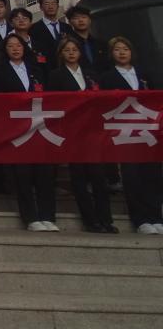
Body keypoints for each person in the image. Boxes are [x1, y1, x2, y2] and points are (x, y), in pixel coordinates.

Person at [46, 37, 116, 233]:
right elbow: (53, 102)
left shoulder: (91, 75)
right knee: (79, 177)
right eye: (67, 50)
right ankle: (90, 220)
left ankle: (106, 219)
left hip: (93, 131)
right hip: (72, 130)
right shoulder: (56, 75)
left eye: (74, 49)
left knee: (99, 177)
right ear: (61, 54)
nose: (71, 53)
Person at [0, 34, 57, 232]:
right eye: (10, 46)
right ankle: (31, 217)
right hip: (16, 128)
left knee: (45, 173)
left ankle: (48, 216)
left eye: (18, 45)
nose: (15, 49)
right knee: (23, 175)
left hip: (39, 125)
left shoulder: (37, 70)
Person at [97, 37, 163, 234]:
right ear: (112, 54)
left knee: (152, 175)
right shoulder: (107, 77)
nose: (122, 52)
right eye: (117, 49)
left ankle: (155, 216)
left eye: (125, 49)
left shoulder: (144, 74)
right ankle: (140, 219)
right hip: (124, 130)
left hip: (148, 129)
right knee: (132, 176)